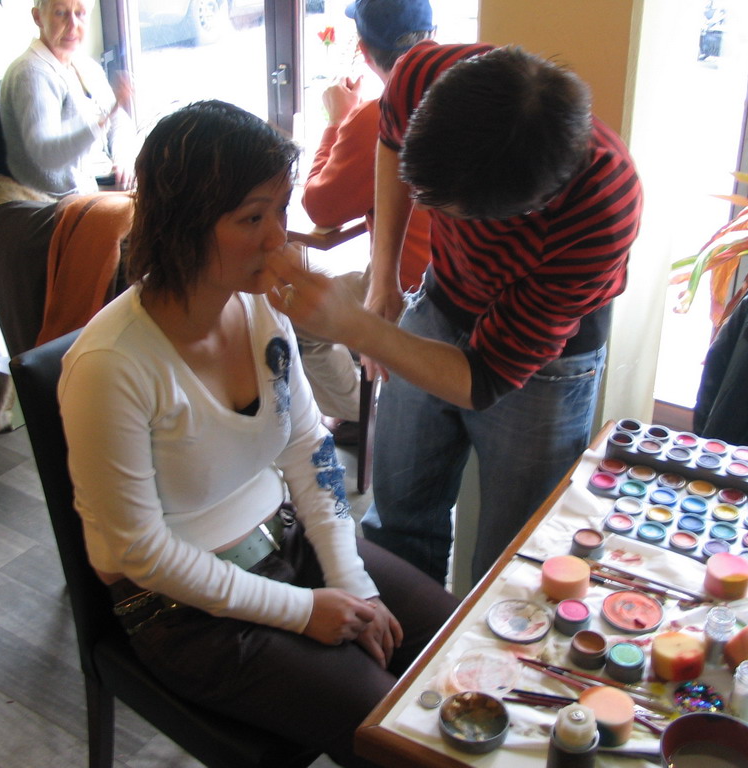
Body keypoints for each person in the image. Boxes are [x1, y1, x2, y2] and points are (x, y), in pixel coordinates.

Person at [58, 100, 458, 767]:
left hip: (282, 539)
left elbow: (311, 451)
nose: (281, 239)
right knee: (394, 733)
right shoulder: (111, 366)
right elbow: (142, 553)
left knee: (454, 640)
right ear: (183, 224)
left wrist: (349, 580)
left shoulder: (259, 311)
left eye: (282, 209)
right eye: (252, 218)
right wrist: (304, 611)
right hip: (183, 612)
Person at [268, 43, 643, 587]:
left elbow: (485, 378)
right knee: (398, 516)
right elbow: (392, 148)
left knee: (510, 559)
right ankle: (400, 650)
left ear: (521, 210)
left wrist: (354, 326)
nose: (424, 208)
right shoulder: (425, 74)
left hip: (547, 363)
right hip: (444, 297)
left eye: (444, 209)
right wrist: (382, 283)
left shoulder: (602, 206)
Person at [298, 0, 436, 441]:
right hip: (459, 286)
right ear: (433, 34)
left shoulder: (374, 117)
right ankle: (369, 405)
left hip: (404, 290)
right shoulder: (468, 96)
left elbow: (320, 208)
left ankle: (359, 416)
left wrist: (338, 121)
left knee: (295, 317)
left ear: (362, 47)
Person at [0, 0, 138, 196]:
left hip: (103, 183)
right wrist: (104, 118)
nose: (73, 25)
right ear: (38, 17)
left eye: (80, 13)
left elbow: (118, 121)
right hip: (63, 199)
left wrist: (124, 157)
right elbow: (47, 154)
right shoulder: (31, 73)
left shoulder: (84, 64)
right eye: (60, 13)